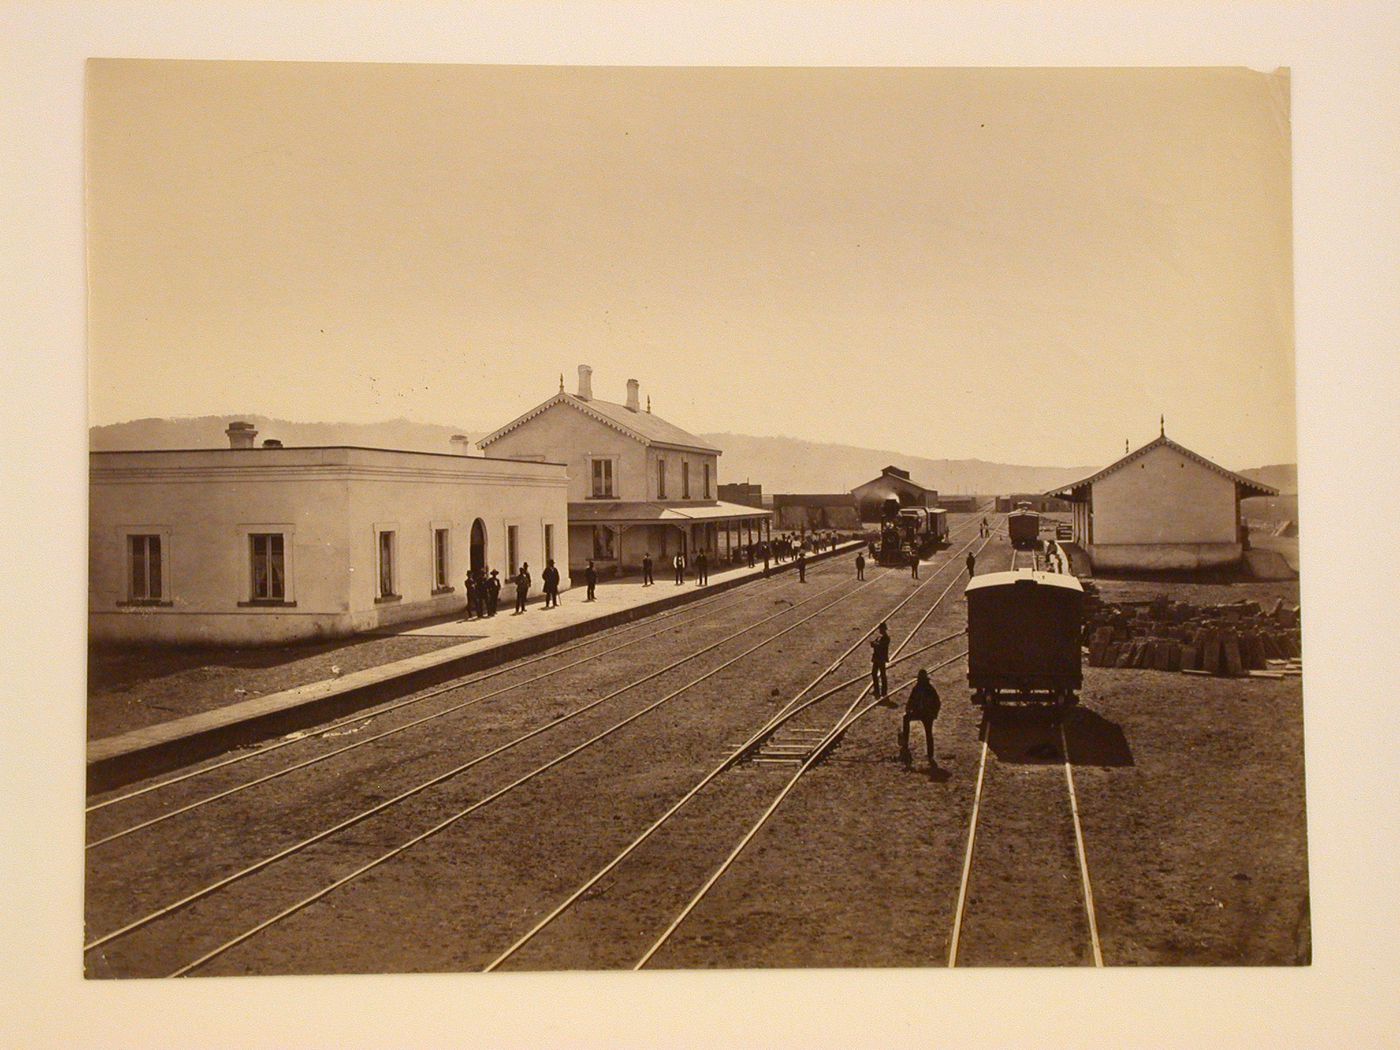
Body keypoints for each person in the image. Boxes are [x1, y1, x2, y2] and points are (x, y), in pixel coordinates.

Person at [899, 669, 942, 770]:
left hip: (927, 714)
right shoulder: (917, 688)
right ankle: (905, 743)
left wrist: (934, 714)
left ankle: (930, 754)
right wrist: (908, 709)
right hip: (918, 712)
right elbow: (911, 700)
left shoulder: (930, 689)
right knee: (906, 718)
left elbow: (937, 703)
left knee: (929, 733)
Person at [870, 622, 891, 702]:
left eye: (881, 629)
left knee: (882, 674)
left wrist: (875, 644)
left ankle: (884, 691)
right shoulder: (879, 637)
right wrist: (874, 644)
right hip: (876, 658)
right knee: (874, 673)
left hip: (881, 658)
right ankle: (876, 690)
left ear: (884, 629)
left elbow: (880, 646)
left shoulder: (886, 638)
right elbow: (875, 644)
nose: (879, 630)